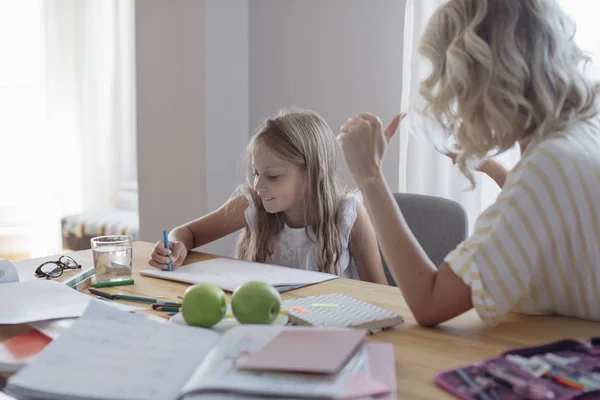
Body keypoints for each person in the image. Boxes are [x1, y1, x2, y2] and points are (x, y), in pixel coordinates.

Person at [337, 0, 600, 326]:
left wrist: (369, 174)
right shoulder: (584, 131)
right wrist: (495, 170)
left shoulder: (546, 167)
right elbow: (551, 214)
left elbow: (430, 302)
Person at [149, 108, 388, 284]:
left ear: (315, 174)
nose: (258, 185)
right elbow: (187, 233)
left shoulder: (348, 215)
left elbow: (382, 294)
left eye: (272, 176)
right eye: (256, 173)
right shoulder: (253, 203)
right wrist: (174, 245)